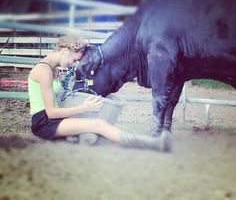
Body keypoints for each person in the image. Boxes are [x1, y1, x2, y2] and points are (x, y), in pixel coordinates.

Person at [28, 35, 171, 151]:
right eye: (74, 60)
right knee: (98, 124)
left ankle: (72, 138)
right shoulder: (44, 71)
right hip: (45, 122)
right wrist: (83, 108)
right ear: (65, 51)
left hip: (54, 119)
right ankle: (153, 143)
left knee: (91, 129)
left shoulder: (52, 69)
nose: (73, 64)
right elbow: (51, 112)